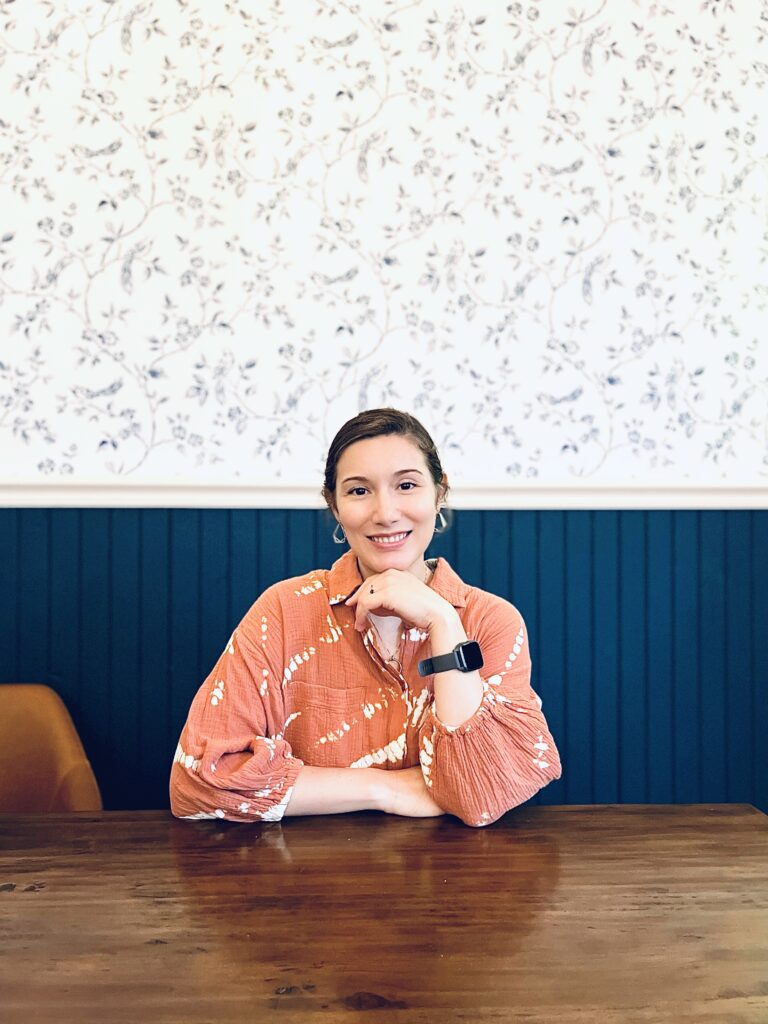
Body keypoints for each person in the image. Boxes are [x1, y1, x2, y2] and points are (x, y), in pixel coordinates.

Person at [170, 408, 561, 826]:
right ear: (333, 505)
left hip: (456, 882)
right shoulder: (284, 611)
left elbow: (480, 794)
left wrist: (443, 623)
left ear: (439, 493)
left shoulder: (492, 621)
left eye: (406, 485)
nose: (386, 513)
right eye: (359, 491)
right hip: (307, 879)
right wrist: (385, 788)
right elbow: (197, 783)